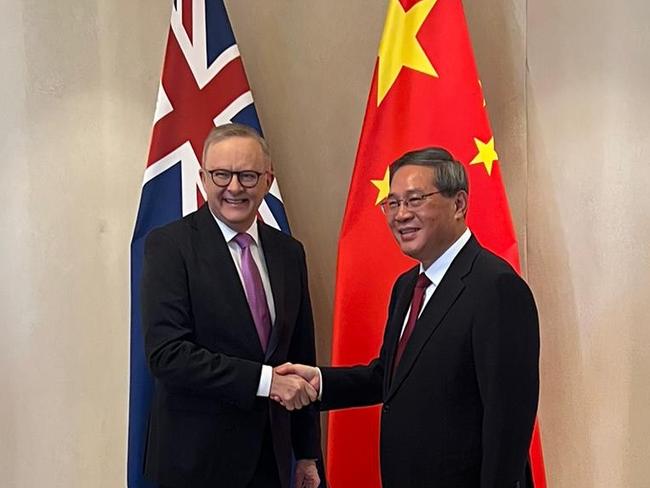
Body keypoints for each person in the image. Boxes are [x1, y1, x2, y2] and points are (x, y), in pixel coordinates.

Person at [276, 147, 539, 488]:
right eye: (393, 203)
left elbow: (508, 424)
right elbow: (390, 377)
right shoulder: (406, 287)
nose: (400, 215)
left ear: (458, 204)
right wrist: (319, 382)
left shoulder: (496, 287)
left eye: (415, 200)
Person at [141, 123, 321, 488]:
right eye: (222, 175)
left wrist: (306, 454)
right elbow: (168, 355)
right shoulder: (169, 246)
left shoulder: (289, 252)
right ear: (203, 179)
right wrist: (266, 381)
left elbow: (301, 355)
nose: (234, 187)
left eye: (248, 175)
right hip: (195, 464)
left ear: (268, 181)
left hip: (270, 461)